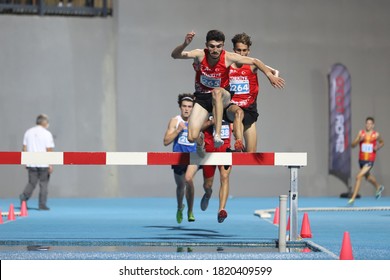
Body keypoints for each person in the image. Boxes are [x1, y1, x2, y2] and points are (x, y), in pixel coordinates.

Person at [171, 30, 285, 157]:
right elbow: (175, 55)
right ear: (207, 45)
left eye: (219, 46)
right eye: (212, 46)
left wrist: (271, 75)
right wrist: (185, 44)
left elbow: (257, 62)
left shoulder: (234, 59)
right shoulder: (209, 57)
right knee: (193, 136)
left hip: (237, 103)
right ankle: (209, 139)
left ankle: (225, 141)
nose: (215, 50)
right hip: (214, 101)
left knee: (250, 154)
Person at [226, 32, 279, 152]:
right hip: (232, 108)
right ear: (233, 50)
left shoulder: (253, 65)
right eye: (238, 50)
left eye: (244, 50)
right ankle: (238, 142)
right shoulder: (227, 65)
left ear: (248, 51)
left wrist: (272, 77)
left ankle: (233, 152)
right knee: (238, 113)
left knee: (250, 154)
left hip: (249, 108)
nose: (241, 54)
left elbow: (274, 71)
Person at [163, 94, 200, 223]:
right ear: (180, 107)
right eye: (184, 106)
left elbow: (202, 142)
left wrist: (197, 135)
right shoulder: (175, 120)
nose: (186, 109)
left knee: (188, 179)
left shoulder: (197, 121)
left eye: (190, 107)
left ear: (193, 108)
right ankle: (180, 207)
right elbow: (166, 141)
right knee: (180, 186)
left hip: (193, 156)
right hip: (178, 157)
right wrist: (178, 130)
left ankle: (190, 210)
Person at [200, 115, 232, 223]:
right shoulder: (206, 109)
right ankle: (208, 194)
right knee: (207, 185)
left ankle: (221, 209)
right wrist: (211, 122)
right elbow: (198, 127)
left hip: (225, 150)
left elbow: (236, 126)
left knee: (225, 177)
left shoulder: (229, 111)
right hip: (209, 152)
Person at [19, 114, 55, 210]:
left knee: (31, 183)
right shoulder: (47, 134)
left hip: (31, 161)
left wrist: (25, 161)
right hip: (43, 162)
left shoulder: (28, 132)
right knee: (43, 184)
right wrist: (51, 164)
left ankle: (24, 197)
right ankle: (42, 204)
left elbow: (24, 147)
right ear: (44, 122)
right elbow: (49, 150)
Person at [348, 117, 384, 206]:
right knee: (367, 177)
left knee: (358, 176)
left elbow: (382, 142)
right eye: (367, 123)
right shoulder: (361, 133)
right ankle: (378, 187)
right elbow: (352, 145)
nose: (368, 125)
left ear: (373, 125)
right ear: (365, 124)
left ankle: (352, 198)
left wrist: (378, 146)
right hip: (361, 160)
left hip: (370, 160)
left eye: (370, 124)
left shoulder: (376, 135)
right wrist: (359, 140)